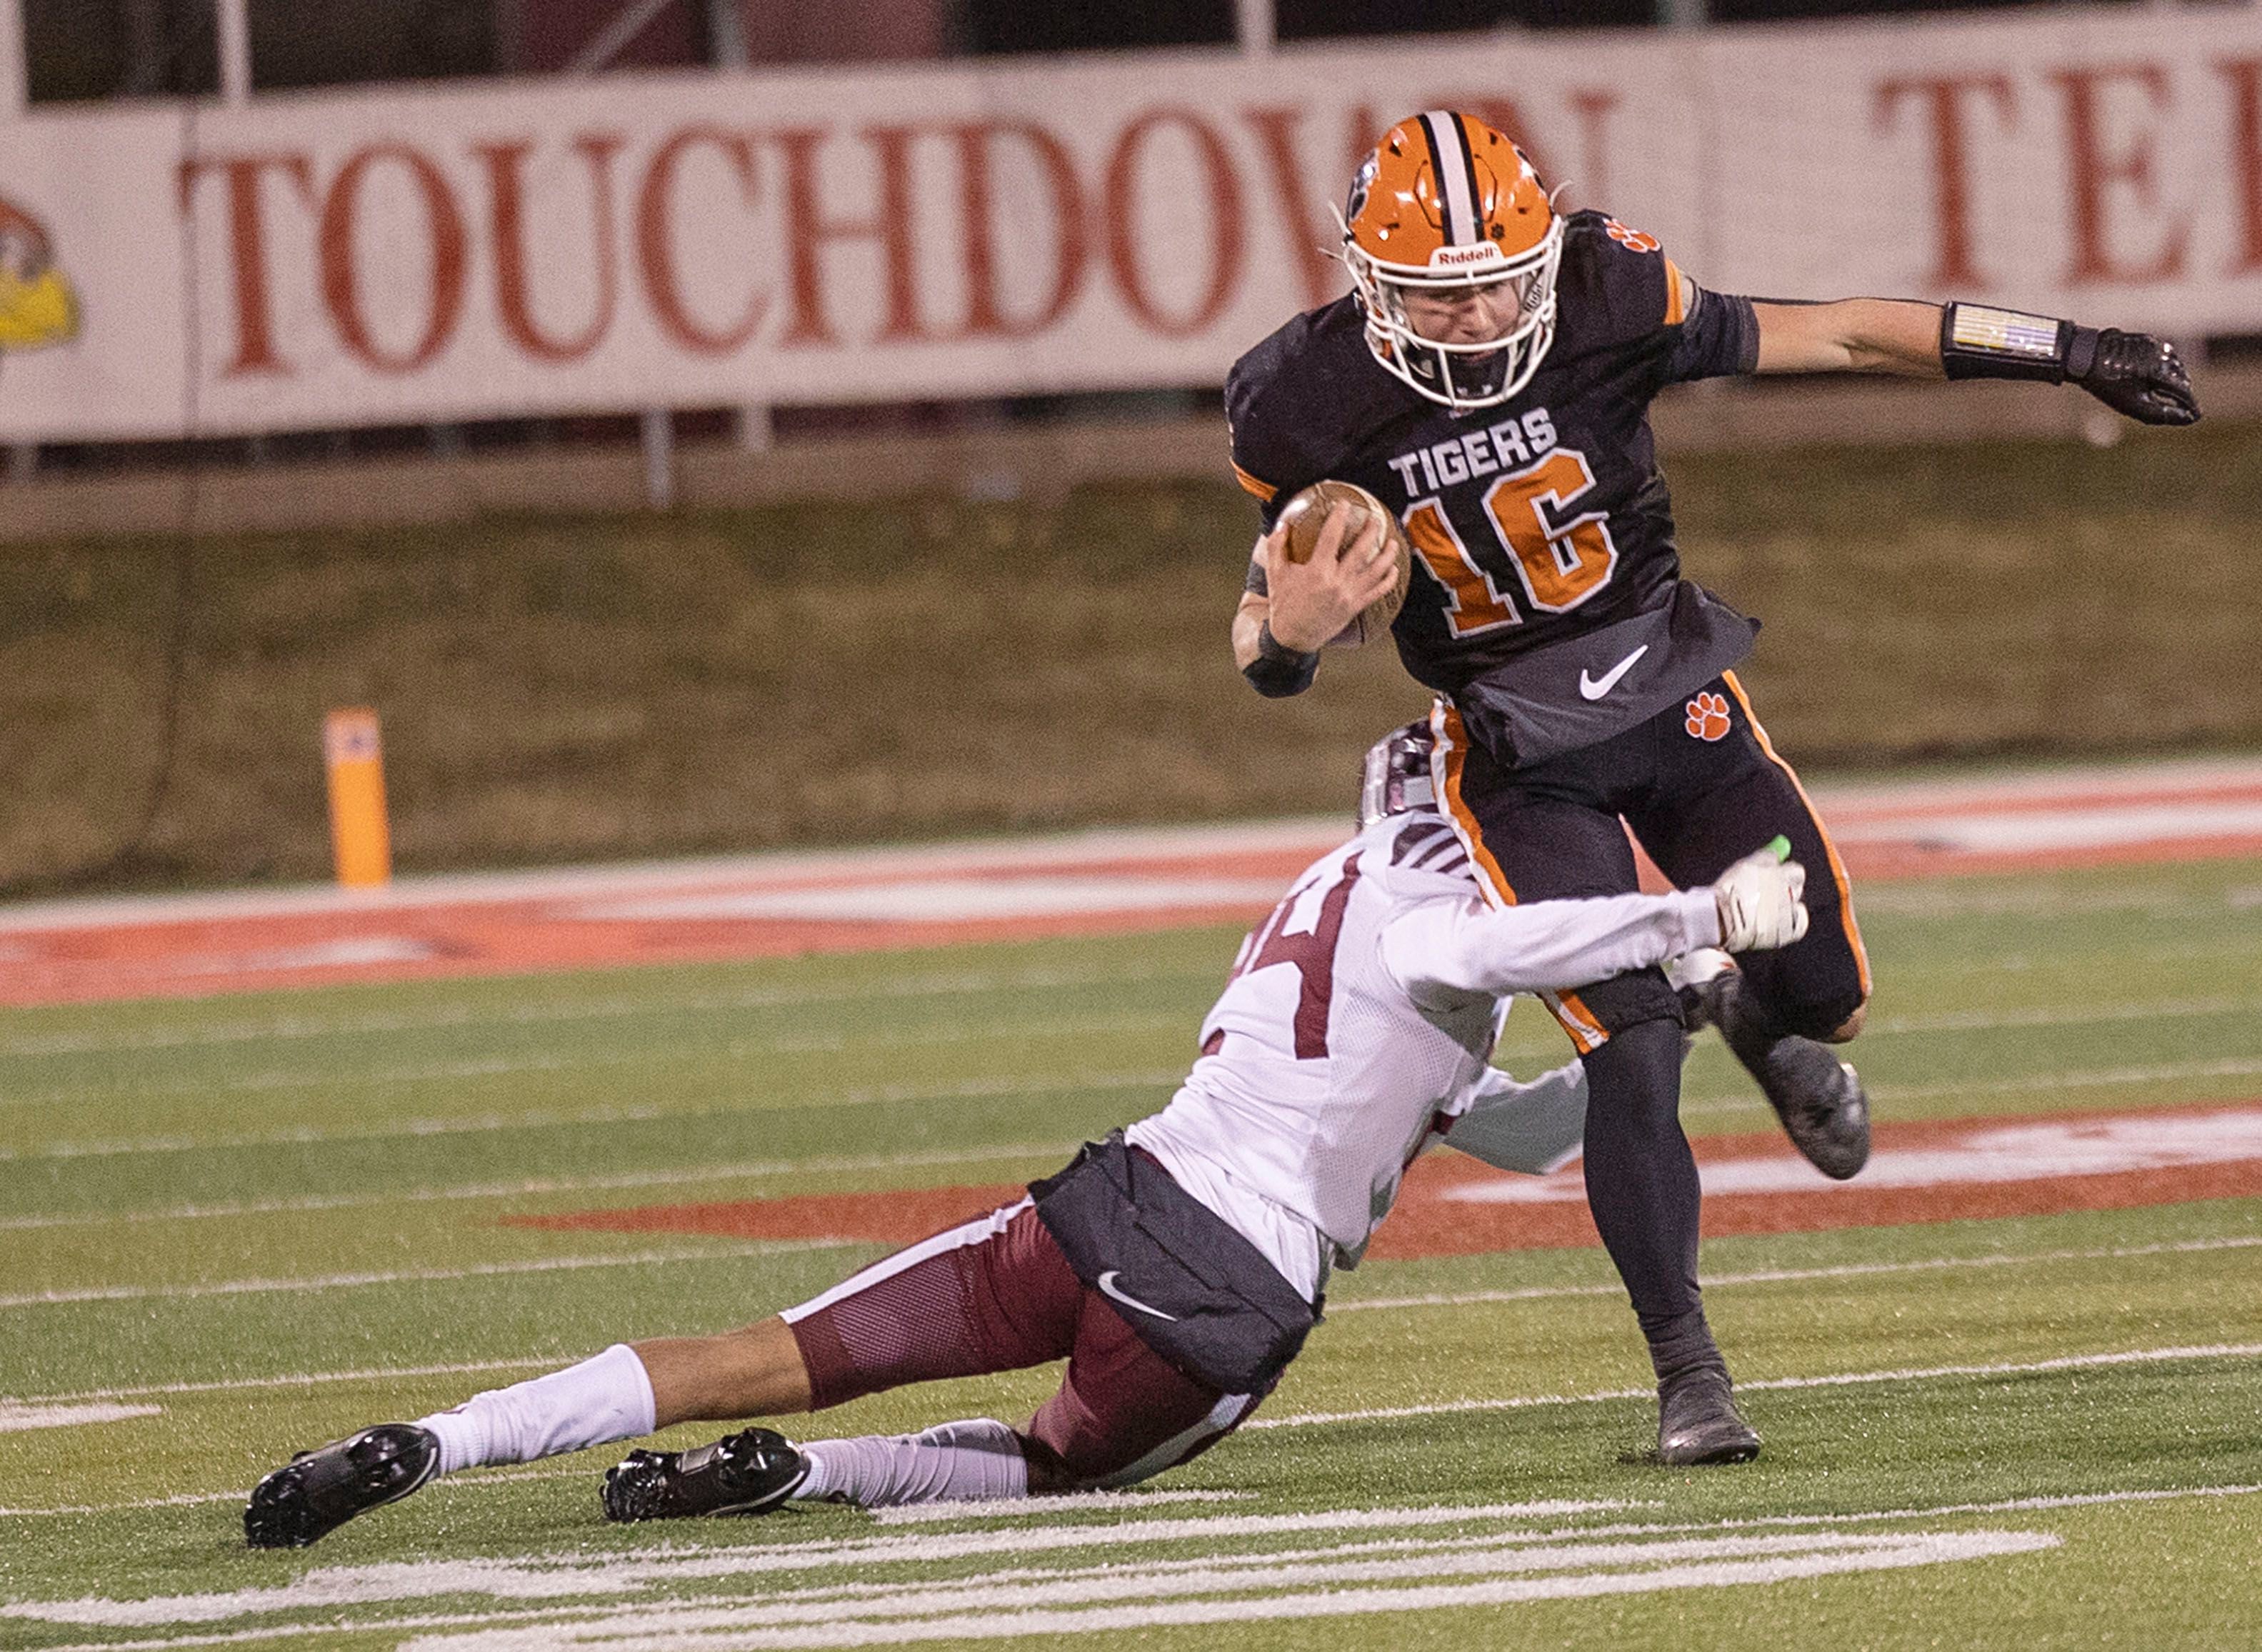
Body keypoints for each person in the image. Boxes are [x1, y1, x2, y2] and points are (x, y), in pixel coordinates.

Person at [1223, 111, 2200, 1456]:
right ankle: (1692, 1375)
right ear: (1374, 287)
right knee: (1626, 1050)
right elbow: (1258, 634)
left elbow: (1842, 332)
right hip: (1514, 755)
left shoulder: (1609, 292)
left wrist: (2067, 352)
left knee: (1834, 998)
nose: (1489, 313)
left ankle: (1747, 1000)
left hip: (1672, 696)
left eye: (1505, 279)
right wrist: (1291, 636)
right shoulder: (1302, 400)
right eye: (1449, 298)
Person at [243, 724, 1811, 1547]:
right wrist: (1690, 916)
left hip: (1109, 1203)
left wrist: (1669, 999)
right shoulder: (1441, 912)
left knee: (758, 1337)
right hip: (1226, 1304)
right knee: (1059, 1469)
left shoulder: (1318, 893)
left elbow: (1520, 1131)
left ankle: (432, 1440)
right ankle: (797, 1480)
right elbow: (1492, 959)